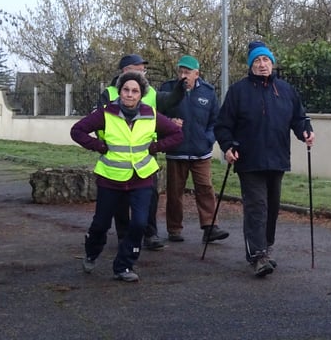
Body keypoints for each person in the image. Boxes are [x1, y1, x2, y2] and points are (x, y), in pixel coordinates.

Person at [214, 40, 315, 277]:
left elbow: (299, 118)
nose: (262, 64)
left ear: (272, 63)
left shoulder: (286, 90)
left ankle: (266, 248)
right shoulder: (238, 91)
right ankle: (257, 255)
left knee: (271, 207)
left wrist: (305, 131)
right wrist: (227, 146)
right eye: (257, 60)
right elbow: (223, 125)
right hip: (249, 159)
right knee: (256, 206)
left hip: (277, 158)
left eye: (266, 60)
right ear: (251, 65)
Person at [71, 71, 183, 282]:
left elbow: (177, 134)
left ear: (141, 94)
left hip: (141, 177)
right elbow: (77, 131)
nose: (130, 94)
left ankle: (124, 265)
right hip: (111, 177)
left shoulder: (150, 114)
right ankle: (92, 252)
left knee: (139, 224)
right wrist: (98, 146)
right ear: (120, 91)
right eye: (126, 90)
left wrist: (156, 147)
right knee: (101, 224)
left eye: (135, 91)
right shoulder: (106, 113)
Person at [98, 54, 185, 251]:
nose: (142, 73)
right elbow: (99, 122)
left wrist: (180, 89)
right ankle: (123, 235)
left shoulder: (150, 91)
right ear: (126, 70)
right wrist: (104, 145)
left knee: (149, 195)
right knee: (120, 199)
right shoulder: (109, 93)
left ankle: (150, 233)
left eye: (143, 70)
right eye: (139, 69)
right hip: (117, 154)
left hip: (145, 152)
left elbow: (169, 101)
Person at [159, 55, 229, 244]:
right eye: (181, 71)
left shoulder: (208, 92)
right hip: (176, 150)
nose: (183, 75)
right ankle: (174, 229)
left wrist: (208, 139)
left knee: (205, 188)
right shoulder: (167, 89)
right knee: (175, 192)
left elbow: (216, 121)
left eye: (187, 72)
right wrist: (168, 123)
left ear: (196, 74)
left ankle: (210, 227)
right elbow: (156, 115)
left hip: (201, 151)